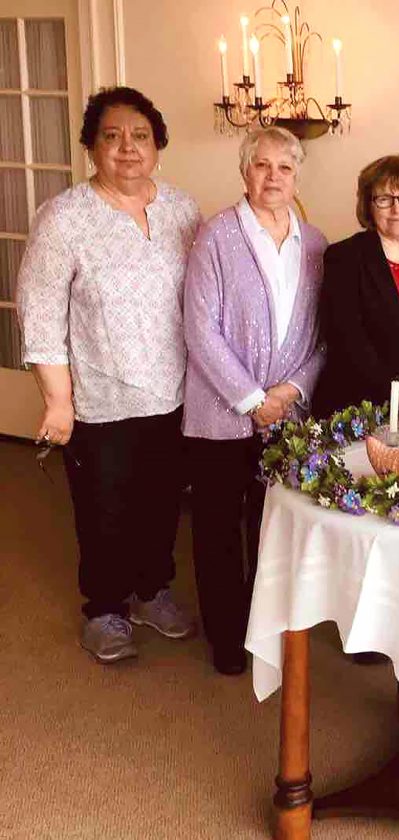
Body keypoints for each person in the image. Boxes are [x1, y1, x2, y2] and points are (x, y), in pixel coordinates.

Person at [16, 86, 200, 663]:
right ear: (91, 147)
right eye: (112, 136)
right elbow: (41, 313)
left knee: (162, 502)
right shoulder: (65, 217)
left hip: (172, 390)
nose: (127, 148)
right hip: (100, 396)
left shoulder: (182, 209)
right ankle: (104, 609)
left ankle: (151, 591)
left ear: (157, 145)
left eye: (140, 136)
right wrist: (58, 400)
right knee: (105, 509)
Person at [182, 127, 327, 675]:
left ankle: (265, 627)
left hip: (287, 416)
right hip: (221, 415)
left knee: (271, 527)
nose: (273, 177)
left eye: (284, 168)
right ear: (245, 172)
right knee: (218, 530)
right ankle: (226, 635)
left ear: (297, 178)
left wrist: (289, 392)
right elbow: (200, 328)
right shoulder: (215, 235)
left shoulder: (315, 244)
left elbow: (321, 335)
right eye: (261, 165)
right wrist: (250, 399)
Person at [310, 153, 399, 419]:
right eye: (384, 199)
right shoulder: (343, 257)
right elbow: (347, 339)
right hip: (361, 406)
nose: (396, 209)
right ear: (369, 205)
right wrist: (395, 396)